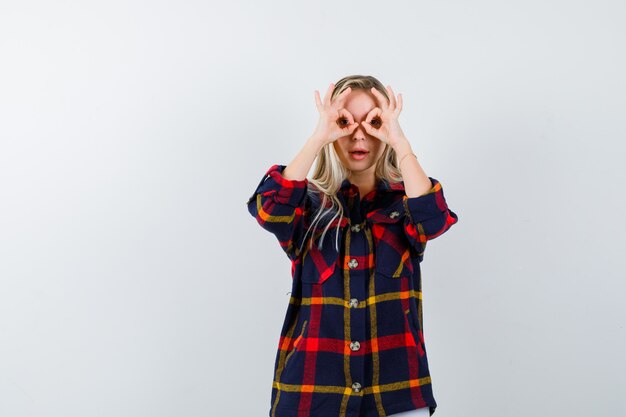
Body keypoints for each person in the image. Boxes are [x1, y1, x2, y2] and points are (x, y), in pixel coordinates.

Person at [246, 75, 459, 417]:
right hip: (314, 395)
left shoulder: (404, 203)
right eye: (345, 122)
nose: (359, 135)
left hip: (395, 395)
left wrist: (400, 143)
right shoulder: (309, 205)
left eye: (373, 122)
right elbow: (269, 207)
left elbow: (433, 220)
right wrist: (319, 136)